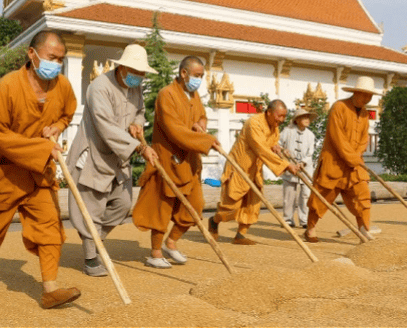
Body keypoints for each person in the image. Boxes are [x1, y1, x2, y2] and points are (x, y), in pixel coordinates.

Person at [0, 31, 81, 309]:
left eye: (61, 59)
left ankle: (50, 289)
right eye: (52, 57)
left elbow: (67, 113)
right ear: (32, 54)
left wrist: (58, 127)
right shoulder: (8, 86)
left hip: (38, 174)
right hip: (3, 170)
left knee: (50, 227)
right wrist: (40, 150)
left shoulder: (62, 86)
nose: (57, 64)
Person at [66, 44, 159, 276]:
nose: (139, 76)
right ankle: (90, 258)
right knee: (92, 208)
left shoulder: (135, 88)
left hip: (118, 157)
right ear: (123, 67)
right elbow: (105, 126)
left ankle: (95, 241)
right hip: (94, 154)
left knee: (122, 204)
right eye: (135, 71)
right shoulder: (100, 87)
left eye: (142, 73)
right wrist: (139, 147)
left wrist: (137, 123)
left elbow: (138, 112)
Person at [132, 56, 222, 268]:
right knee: (162, 206)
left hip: (189, 161)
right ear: (184, 73)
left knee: (195, 205)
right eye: (197, 76)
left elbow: (201, 116)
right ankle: (155, 253)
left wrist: (200, 123)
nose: (199, 80)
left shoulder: (194, 94)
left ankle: (170, 243)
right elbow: (175, 131)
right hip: (167, 158)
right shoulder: (166, 95)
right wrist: (206, 141)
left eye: (201, 76)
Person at [208, 100, 301, 245]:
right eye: (279, 116)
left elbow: (269, 146)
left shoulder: (274, 128)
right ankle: (214, 221)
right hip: (239, 167)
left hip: (255, 169)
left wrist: (276, 149)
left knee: (253, 204)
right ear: (269, 113)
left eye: (284, 117)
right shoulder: (254, 123)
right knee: (230, 205)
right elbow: (260, 148)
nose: (281, 120)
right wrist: (286, 165)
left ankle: (240, 235)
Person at [305, 76, 383, 243]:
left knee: (363, 196)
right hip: (333, 162)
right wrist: (351, 158)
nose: (368, 99)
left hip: (354, 165)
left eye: (370, 96)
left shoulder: (364, 114)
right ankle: (311, 228)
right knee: (321, 198)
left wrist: (356, 157)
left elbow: (363, 139)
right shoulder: (338, 107)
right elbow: (337, 137)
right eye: (365, 95)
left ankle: (364, 230)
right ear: (356, 92)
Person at [279, 109, 318, 228]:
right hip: (290, 167)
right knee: (289, 195)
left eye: (308, 118)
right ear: (297, 120)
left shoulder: (310, 135)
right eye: (304, 118)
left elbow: (311, 152)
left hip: (305, 168)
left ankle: (304, 219)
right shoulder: (287, 131)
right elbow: (278, 144)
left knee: (305, 195)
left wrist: (303, 163)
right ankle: (288, 219)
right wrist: (282, 150)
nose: (307, 120)